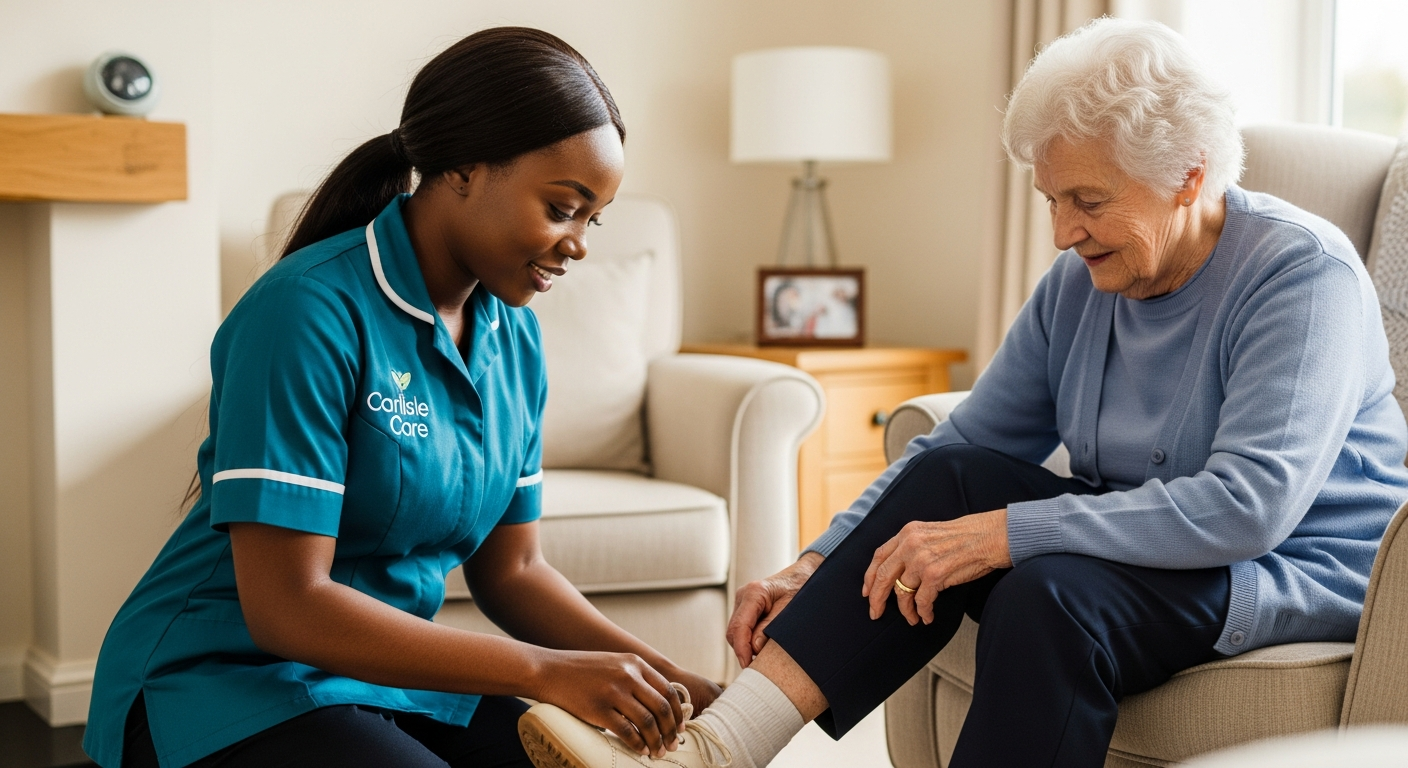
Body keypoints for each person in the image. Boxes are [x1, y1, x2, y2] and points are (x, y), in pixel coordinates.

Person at [518, 17, 1408, 768]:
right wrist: (815, 562)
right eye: (1051, 199)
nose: (1063, 233)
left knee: (1043, 592)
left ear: (1189, 174)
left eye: (1087, 201)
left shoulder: (1301, 278)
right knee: (955, 484)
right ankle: (714, 754)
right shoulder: (1084, 281)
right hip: (1146, 543)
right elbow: (961, 449)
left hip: (1281, 569)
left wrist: (1003, 535)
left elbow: (1246, 509)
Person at [84, 27, 719, 768]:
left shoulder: (515, 339)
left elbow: (512, 573)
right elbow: (288, 606)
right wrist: (544, 672)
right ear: (463, 170)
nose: (578, 243)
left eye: (592, 218)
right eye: (561, 207)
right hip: (217, 683)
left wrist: (667, 679)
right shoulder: (304, 310)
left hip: (386, 679)